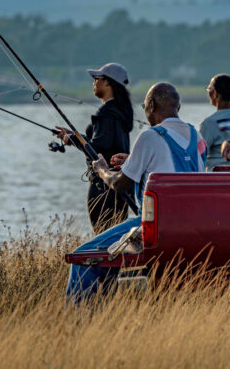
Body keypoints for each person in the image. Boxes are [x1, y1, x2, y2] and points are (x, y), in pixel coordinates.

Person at [66, 82, 207, 302]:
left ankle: (78, 323)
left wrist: (101, 169)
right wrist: (133, 163)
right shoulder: (197, 137)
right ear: (177, 106)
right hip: (191, 227)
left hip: (155, 229)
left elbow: (120, 184)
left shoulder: (149, 136)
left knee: (83, 258)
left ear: (151, 105)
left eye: (144, 105)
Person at [55, 62, 133, 233]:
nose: (93, 83)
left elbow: (99, 147)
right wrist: (74, 136)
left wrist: (72, 140)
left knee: (104, 237)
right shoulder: (119, 112)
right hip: (120, 185)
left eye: (96, 78)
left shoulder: (106, 114)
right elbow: (104, 143)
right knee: (116, 237)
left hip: (103, 186)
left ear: (107, 82)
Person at [199, 74, 230, 171]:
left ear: (215, 94)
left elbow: (199, 156)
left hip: (217, 177)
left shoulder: (209, 123)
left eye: (209, 90)